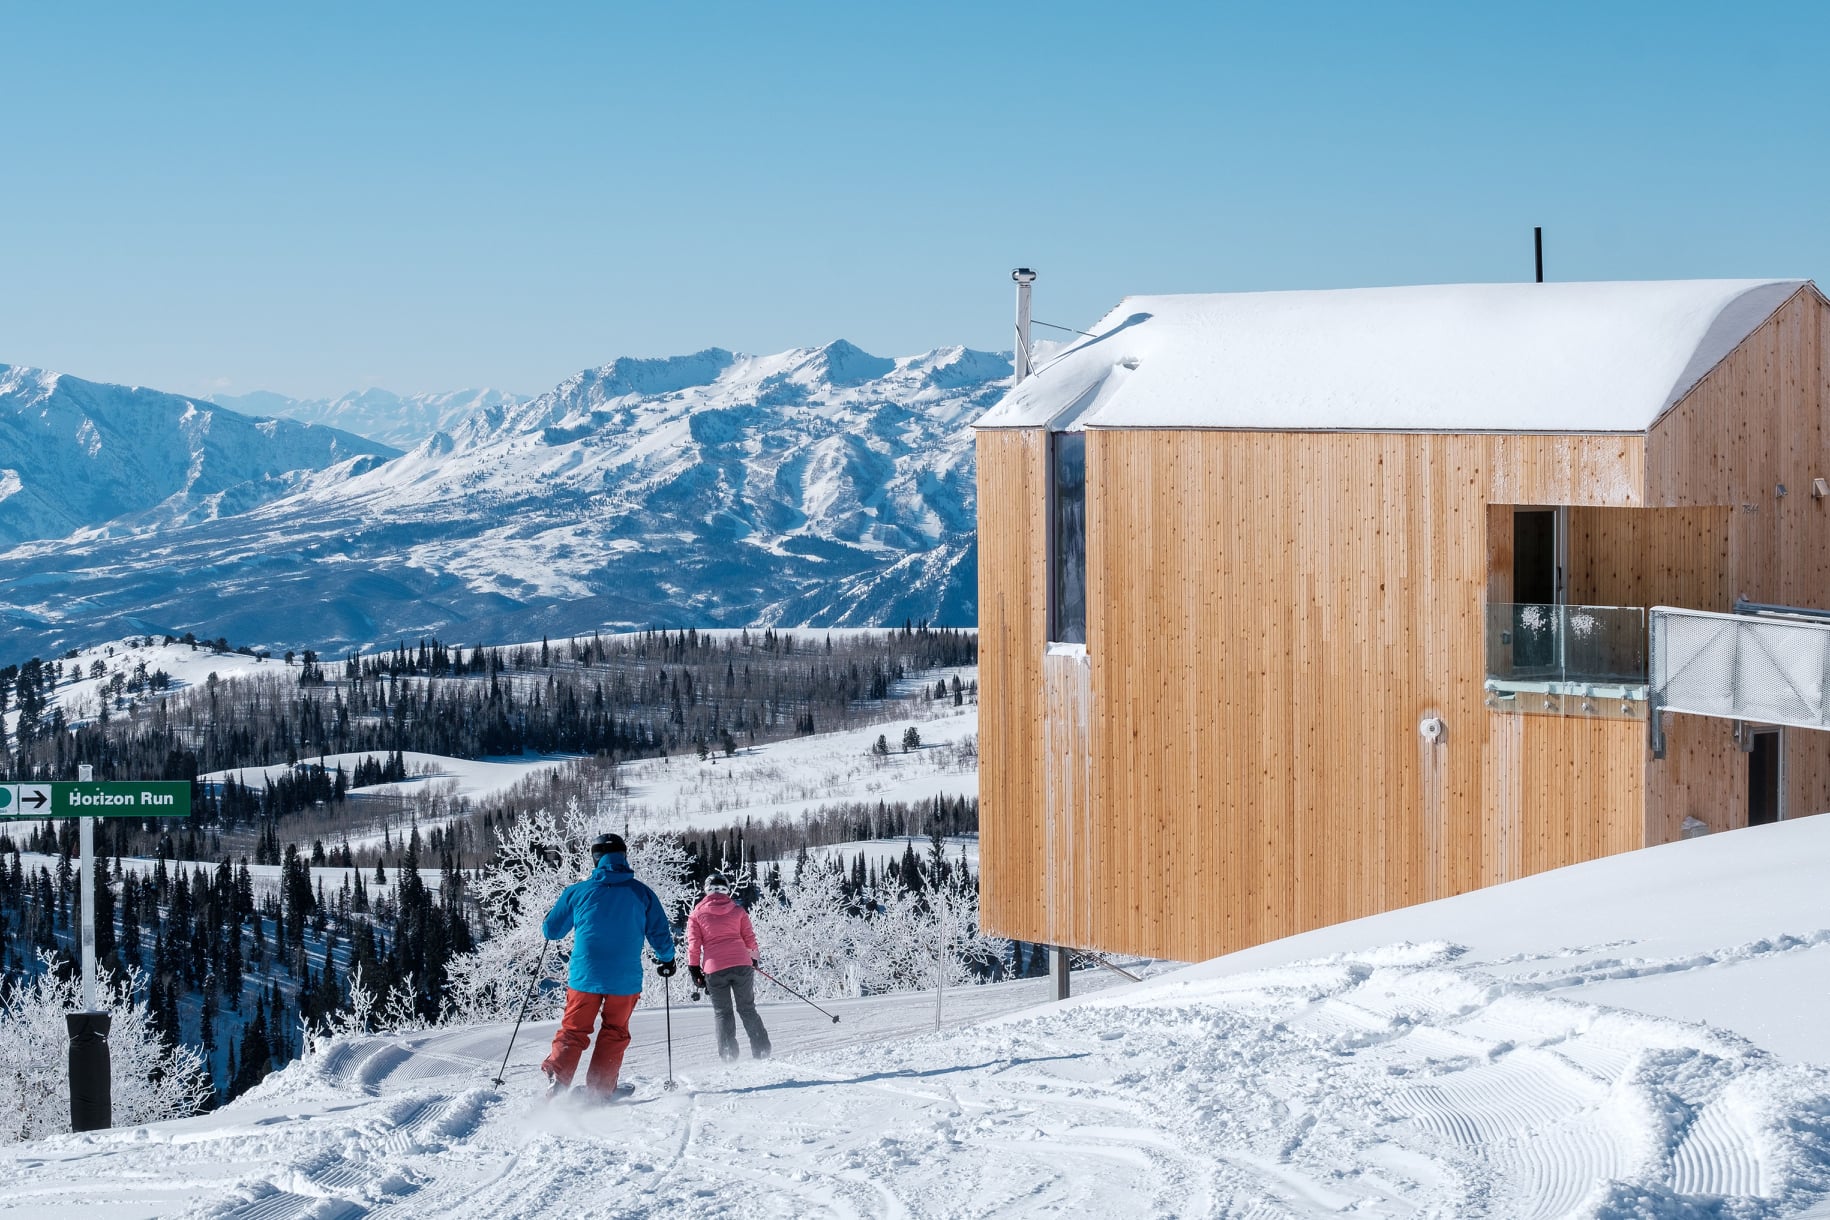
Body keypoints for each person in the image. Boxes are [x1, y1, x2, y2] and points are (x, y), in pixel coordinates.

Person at [539, 832, 676, 1100]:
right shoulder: (642, 893)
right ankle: (600, 1090)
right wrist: (667, 959)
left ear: (595, 859)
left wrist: (549, 919)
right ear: (624, 856)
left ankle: (558, 1077)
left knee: (574, 1029)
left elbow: (552, 930)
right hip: (624, 980)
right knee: (614, 1031)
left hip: (585, 976)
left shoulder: (577, 892)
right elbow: (660, 933)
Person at [687, 872, 772, 1062]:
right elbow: (749, 938)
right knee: (747, 1008)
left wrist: (694, 968)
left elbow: (694, 944)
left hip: (714, 969)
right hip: (742, 964)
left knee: (722, 1012)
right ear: (727, 890)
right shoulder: (738, 911)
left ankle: (728, 1055)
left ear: (706, 890)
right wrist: (754, 959)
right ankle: (762, 1051)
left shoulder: (696, 914)